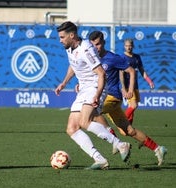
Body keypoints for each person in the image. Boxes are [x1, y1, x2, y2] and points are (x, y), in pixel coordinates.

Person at [55, 21, 131, 170]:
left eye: (62, 37)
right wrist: (64, 83)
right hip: (84, 89)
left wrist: (97, 94)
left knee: (85, 121)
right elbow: (73, 64)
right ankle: (99, 159)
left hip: (96, 86)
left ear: (72, 35)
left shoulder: (86, 49)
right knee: (72, 128)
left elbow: (101, 73)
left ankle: (120, 144)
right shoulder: (70, 48)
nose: (60, 40)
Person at [88, 31, 167, 166]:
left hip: (112, 97)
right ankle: (158, 148)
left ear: (103, 43)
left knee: (91, 113)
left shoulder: (112, 58)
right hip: (107, 99)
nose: (96, 47)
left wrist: (130, 90)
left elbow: (131, 71)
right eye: (93, 45)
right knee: (128, 130)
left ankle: (117, 143)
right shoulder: (92, 59)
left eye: (98, 44)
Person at [120, 38, 154, 124]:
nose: (128, 48)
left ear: (133, 46)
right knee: (133, 105)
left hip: (135, 85)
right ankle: (121, 121)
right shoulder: (122, 57)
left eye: (130, 46)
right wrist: (123, 88)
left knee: (133, 105)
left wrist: (149, 81)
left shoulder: (137, 57)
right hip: (128, 86)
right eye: (127, 46)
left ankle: (128, 125)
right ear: (124, 46)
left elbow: (142, 70)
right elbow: (121, 74)